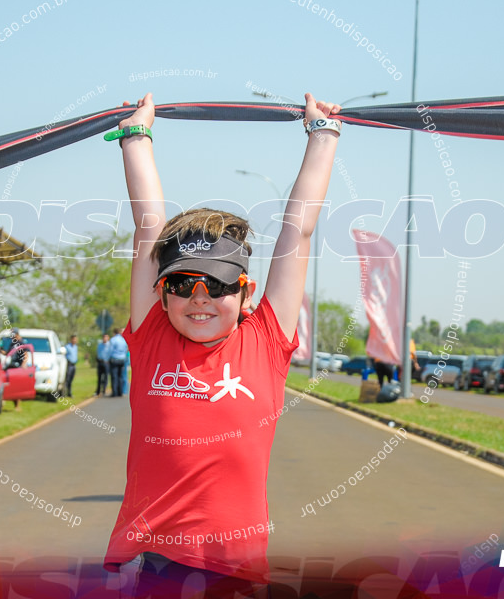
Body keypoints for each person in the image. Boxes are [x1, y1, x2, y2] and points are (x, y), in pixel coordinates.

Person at [102, 92, 342, 596]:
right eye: (182, 284)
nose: (199, 298)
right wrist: (136, 136)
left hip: (237, 570)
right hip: (162, 563)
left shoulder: (266, 341)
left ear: (245, 290)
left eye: (216, 284)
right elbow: (149, 226)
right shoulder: (152, 340)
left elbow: (296, 235)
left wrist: (323, 136)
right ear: (160, 293)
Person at [107, 329, 128, 398]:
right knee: (120, 376)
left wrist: (108, 358)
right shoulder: (123, 339)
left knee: (114, 376)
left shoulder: (113, 340)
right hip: (122, 359)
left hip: (114, 359)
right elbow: (126, 349)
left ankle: (114, 392)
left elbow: (110, 350)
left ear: (114, 333)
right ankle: (120, 392)